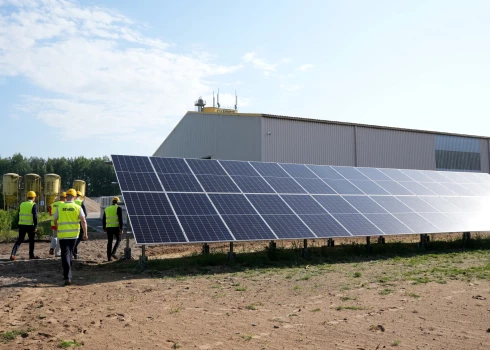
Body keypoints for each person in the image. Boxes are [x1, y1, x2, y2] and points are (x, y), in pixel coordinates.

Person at [53, 188, 88, 286]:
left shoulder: (60, 207)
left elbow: (55, 219)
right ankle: (68, 274)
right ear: (74, 197)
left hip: (63, 235)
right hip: (74, 235)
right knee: (71, 253)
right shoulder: (78, 207)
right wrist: (85, 233)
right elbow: (83, 221)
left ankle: (67, 276)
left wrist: (58, 226)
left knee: (65, 254)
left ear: (66, 197)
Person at [10, 191, 39, 260]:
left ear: (27, 197)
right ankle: (31, 255)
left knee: (19, 240)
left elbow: (18, 214)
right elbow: (35, 217)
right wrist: (35, 226)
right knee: (31, 241)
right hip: (30, 226)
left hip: (22, 225)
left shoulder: (22, 204)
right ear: (34, 197)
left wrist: (17, 224)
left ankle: (13, 254)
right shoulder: (33, 205)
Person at [102, 196, 123, 261]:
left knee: (109, 242)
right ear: (118, 202)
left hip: (109, 228)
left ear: (112, 202)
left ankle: (109, 257)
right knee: (119, 239)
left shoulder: (107, 209)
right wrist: (121, 228)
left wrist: (104, 228)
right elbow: (120, 219)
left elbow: (104, 219)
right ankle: (113, 253)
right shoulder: (118, 208)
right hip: (116, 227)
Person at [49, 192, 66, 257]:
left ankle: (51, 248)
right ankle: (57, 252)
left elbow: (50, 214)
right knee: (60, 237)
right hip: (60, 223)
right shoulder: (64, 204)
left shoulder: (53, 204)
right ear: (64, 198)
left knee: (54, 236)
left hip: (53, 222)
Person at [72, 190, 87, 259]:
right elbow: (85, 215)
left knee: (74, 237)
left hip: (71, 223)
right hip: (79, 223)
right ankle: (73, 250)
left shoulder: (72, 202)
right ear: (80, 196)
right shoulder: (81, 202)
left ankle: (75, 253)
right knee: (79, 237)